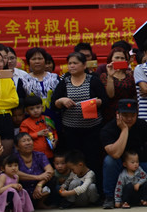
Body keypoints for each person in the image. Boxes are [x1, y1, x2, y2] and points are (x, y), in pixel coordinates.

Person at [52, 52, 105, 190]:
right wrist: (61, 100)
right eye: (70, 63)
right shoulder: (65, 81)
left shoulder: (92, 80)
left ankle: (96, 191)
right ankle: (72, 192)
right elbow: (54, 104)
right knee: (73, 162)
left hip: (92, 129)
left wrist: (96, 102)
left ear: (84, 65)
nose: (72, 66)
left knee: (93, 160)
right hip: (71, 130)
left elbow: (105, 100)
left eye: (75, 63)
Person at [100, 98, 147, 209]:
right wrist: (124, 130)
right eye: (125, 115)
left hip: (140, 162)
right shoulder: (108, 129)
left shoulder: (143, 125)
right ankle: (109, 197)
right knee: (109, 162)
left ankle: (144, 196)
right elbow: (115, 154)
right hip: (119, 163)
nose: (129, 119)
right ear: (118, 114)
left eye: (132, 115)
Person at [12, 131, 54, 209]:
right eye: (24, 141)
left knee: (52, 179)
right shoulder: (14, 158)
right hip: (23, 189)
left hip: (38, 190)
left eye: (29, 140)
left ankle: (40, 203)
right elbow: (14, 173)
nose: (28, 143)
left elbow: (50, 171)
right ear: (17, 146)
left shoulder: (40, 155)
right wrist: (37, 177)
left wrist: (39, 184)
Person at [96, 46, 135, 123]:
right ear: (111, 59)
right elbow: (110, 95)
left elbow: (134, 94)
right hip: (111, 113)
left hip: (128, 111)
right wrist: (110, 76)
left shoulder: (130, 75)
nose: (119, 60)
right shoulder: (104, 75)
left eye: (122, 58)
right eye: (117, 58)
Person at [20, 47, 60, 114]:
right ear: (28, 62)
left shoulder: (54, 78)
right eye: (33, 59)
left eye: (40, 59)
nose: (37, 61)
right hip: (31, 119)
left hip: (54, 116)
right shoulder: (23, 80)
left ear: (45, 60)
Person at [19, 94, 57, 160]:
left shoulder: (47, 118)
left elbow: (54, 132)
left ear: (42, 108)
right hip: (34, 155)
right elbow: (22, 138)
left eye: (38, 107)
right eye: (31, 109)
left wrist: (55, 141)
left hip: (49, 153)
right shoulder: (25, 123)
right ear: (26, 111)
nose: (35, 110)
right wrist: (37, 134)